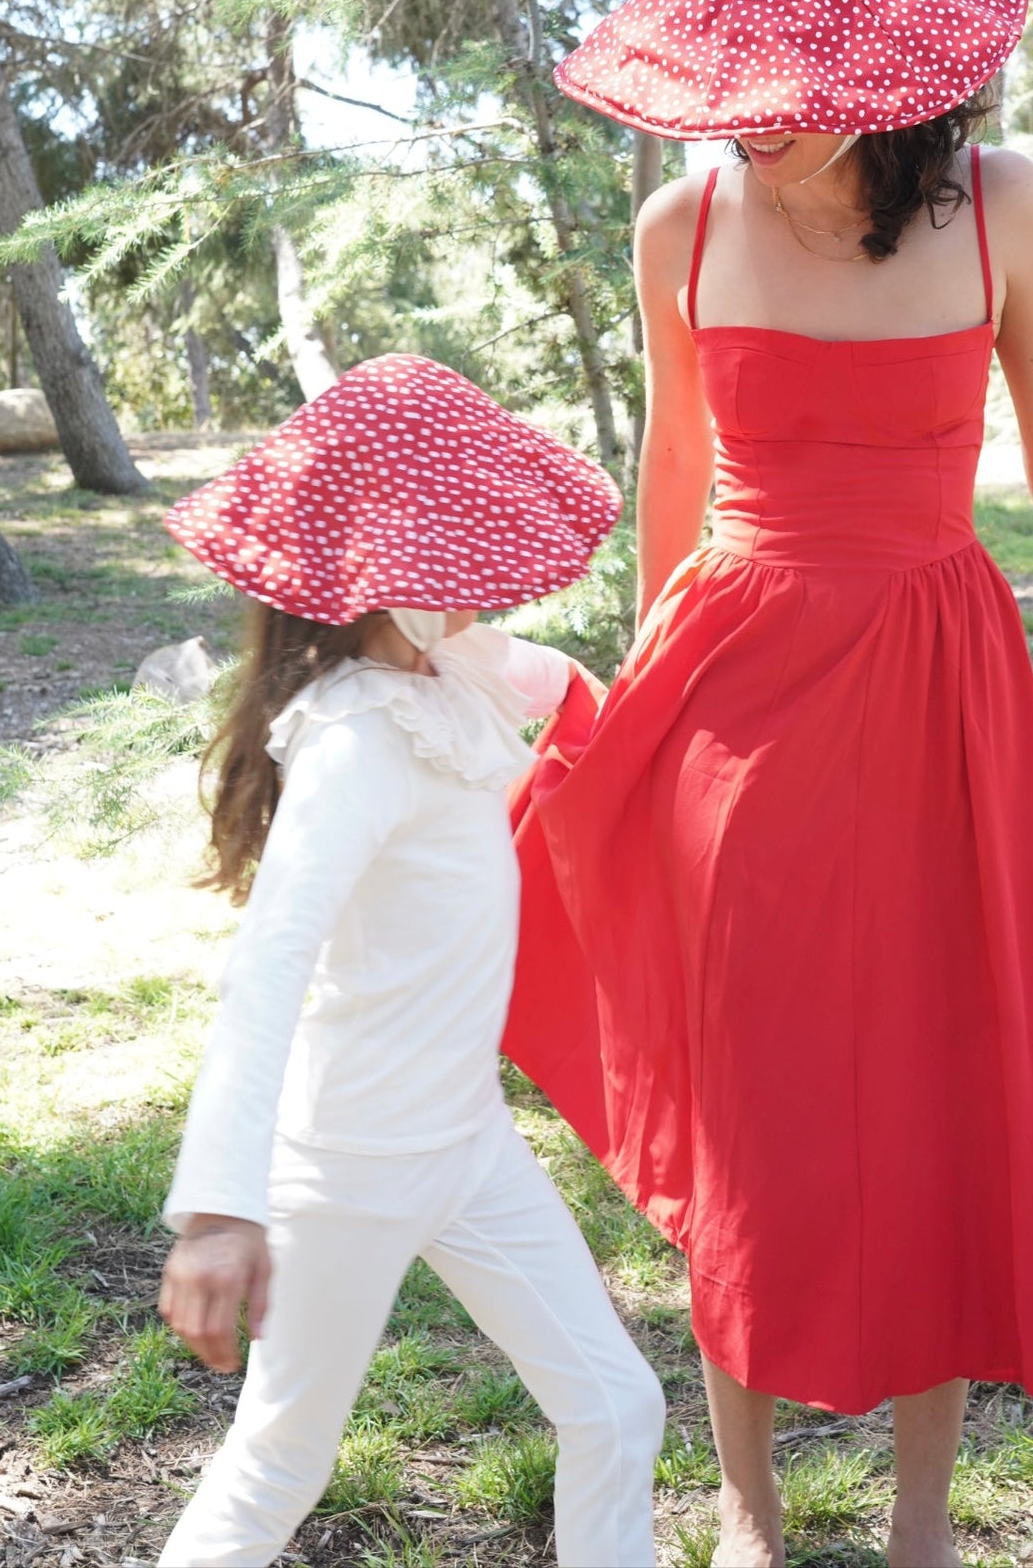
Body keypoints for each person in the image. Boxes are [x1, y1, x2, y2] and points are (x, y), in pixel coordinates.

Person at [504, 0, 1033, 1568]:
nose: (759, 125)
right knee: (756, 1092)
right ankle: (749, 1498)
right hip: (738, 680)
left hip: (944, 680)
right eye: (736, 90)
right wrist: (643, 696)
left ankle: (923, 1517)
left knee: (942, 1075)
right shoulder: (683, 225)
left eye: (795, 91)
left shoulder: (1005, 208)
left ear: (889, 74)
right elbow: (671, 469)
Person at [153, 354, 664, 1568]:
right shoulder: (355, 742)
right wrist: (221, 1209)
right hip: (347, 1165)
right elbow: (269, 960)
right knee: (279, 1459)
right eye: (462, 552)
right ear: (386, 570)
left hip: (466, 1142)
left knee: (616, 1404)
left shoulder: (451, 669)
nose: (486, 581)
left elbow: (563, 680)